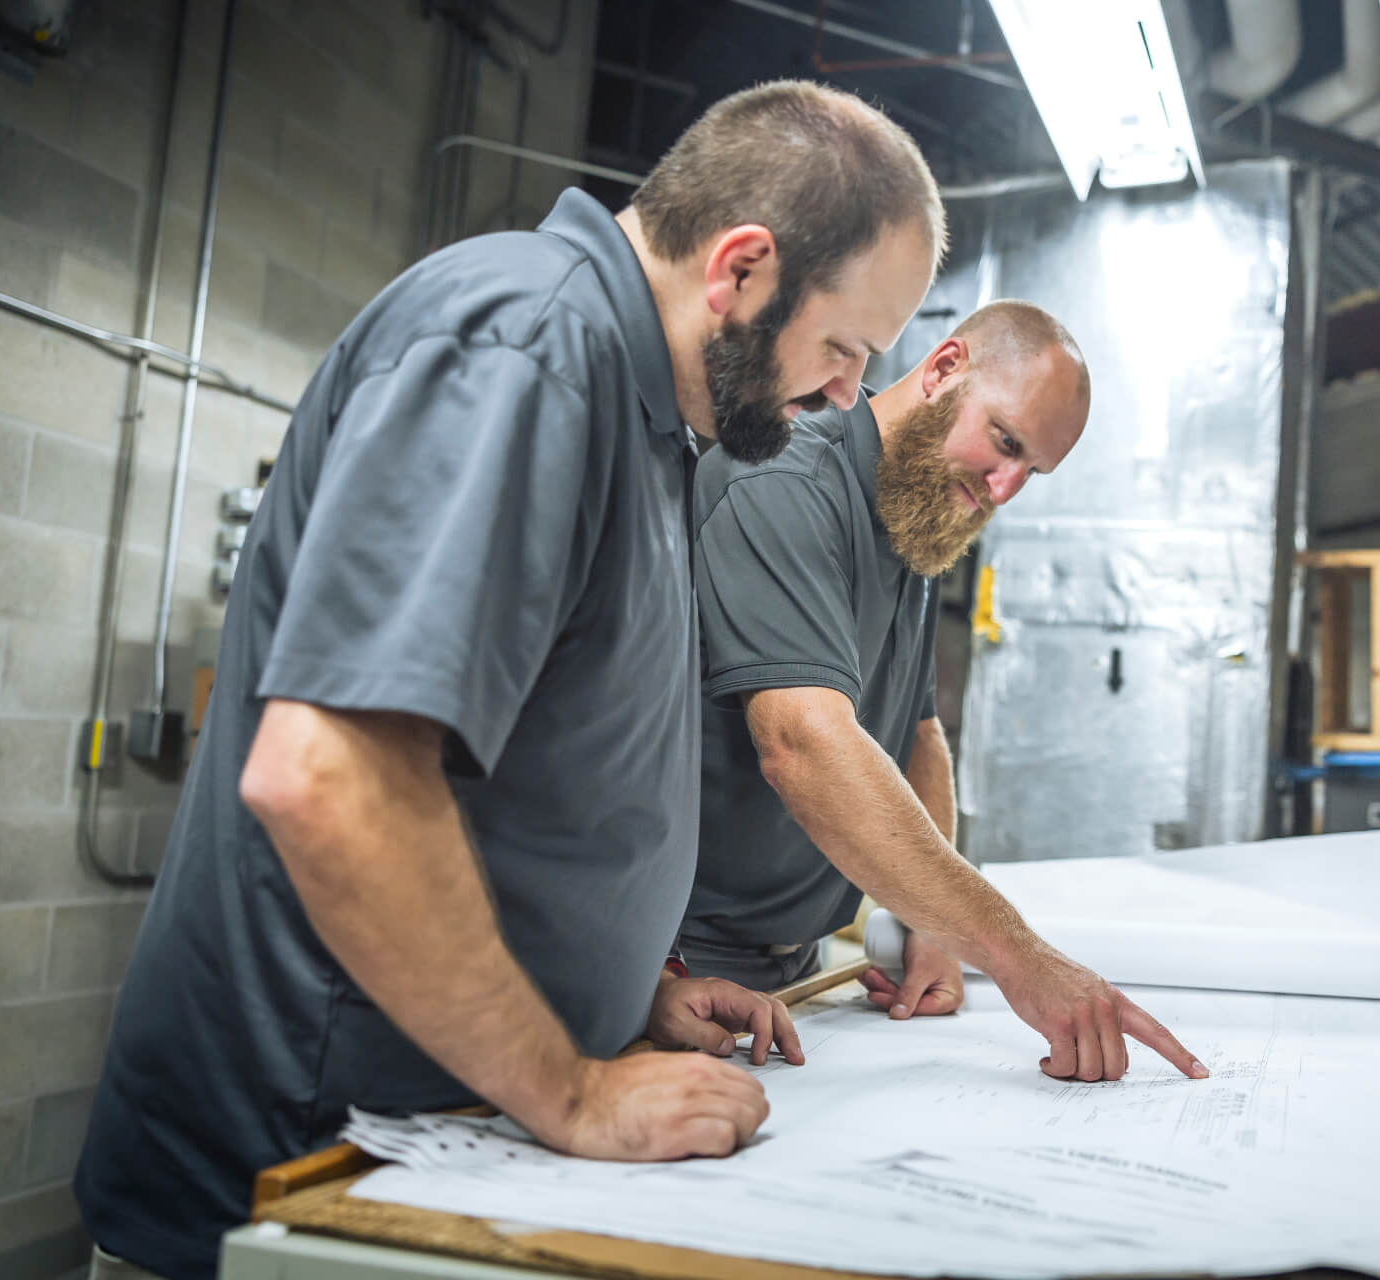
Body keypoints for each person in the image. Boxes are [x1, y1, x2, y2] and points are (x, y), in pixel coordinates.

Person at [73, 80, 946, 1280]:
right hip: (310, 1159)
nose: (849, 393)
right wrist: (573, 1087)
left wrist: (625, 988)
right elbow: (330, 779)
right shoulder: (529, 347)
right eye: (845, 347)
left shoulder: (647, 415)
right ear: (742, 270)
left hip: (451, 1135)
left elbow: (522, 772)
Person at [682, 301, 1210, 1085]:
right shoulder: (784, 482)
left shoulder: (916, 513)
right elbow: (801, 746)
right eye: (1004, 443)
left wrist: (925, 921)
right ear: (942, 370)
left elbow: (917, 732)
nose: (1003, 488)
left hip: (794, 973)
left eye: (1032, 470)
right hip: (685, 973)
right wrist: (1015, 954)